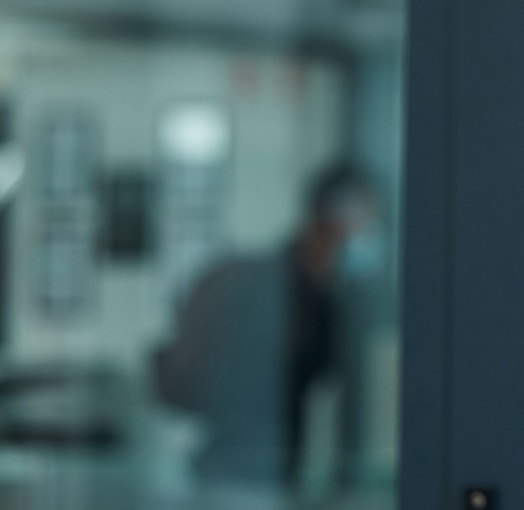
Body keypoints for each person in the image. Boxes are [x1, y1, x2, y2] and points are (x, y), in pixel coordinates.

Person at [154, 161, 384, 488]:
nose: (369, 234)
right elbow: (234, 393)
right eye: (366, 222)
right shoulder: (270, 288)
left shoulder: (327, 293)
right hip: (242, 477)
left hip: (275, 475)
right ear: (336, 217)